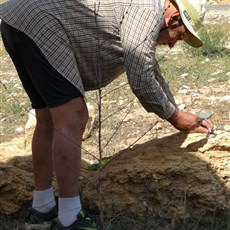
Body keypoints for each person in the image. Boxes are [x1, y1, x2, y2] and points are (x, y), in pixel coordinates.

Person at [0, 0, 213, 229]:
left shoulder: (145, 10)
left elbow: (150, 67)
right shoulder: (147, 11)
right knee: (73, 116)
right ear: (173, 18)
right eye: (178, 36)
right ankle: (70, 218)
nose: (172, 44)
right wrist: (175, 117)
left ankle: (42, 207)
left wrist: (177, 112)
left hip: (17, 20)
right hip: (39, 23)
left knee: (47, 119)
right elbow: (141, 76)